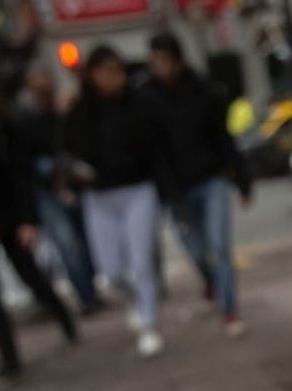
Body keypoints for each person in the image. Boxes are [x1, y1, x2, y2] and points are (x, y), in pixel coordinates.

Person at [0, 65, 77, 391]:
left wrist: (27, 218)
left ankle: (63, 316)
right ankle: (9, 357)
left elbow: (20, 173)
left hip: (6, 215)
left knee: (29, 276)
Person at [140, 32, 252, 338]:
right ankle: (211, 281)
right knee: (196, 250)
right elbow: (152, 152)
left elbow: (224, 139)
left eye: (163, 60)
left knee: (220, 247)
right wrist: (165, 192)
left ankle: (229, 309)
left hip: (212, 179)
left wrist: (242, 179)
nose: (159, 67)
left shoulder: (205, 91)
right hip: (177, 190)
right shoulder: (147, 98)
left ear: (177, 60)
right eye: (154, 61)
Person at [64, 45, 163, 357]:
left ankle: (149, 323)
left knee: (142, 262)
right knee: (112, 271)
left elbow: (155, 148)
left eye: (117, 70)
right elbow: (66, 150)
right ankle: (134, 300)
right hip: (100, 196)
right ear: (92, 75)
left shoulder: (138, 104)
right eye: (105, 71)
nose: (112, 78)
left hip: (138, 190)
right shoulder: (81, 110)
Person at [18, 65, 102, 315]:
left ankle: (91, 289)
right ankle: (86, 296)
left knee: (86, 240)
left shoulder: (63, 114)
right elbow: (23, 162)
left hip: (73, 185)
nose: (43, 92)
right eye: (37, 88)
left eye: (46, 87)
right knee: (67, 244)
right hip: (47, 192)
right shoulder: (25, 121)